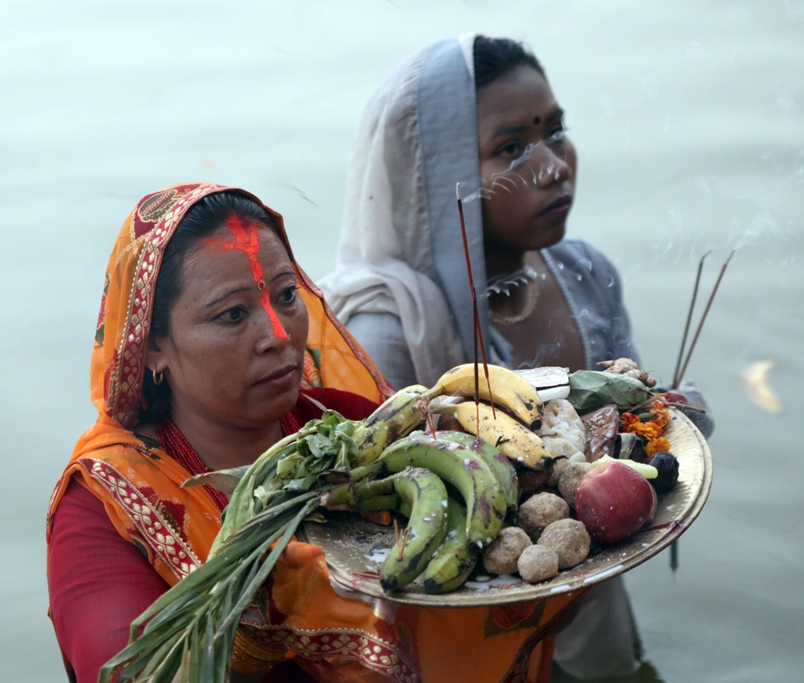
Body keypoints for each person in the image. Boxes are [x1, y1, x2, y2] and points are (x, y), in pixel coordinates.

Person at [46, 182, 584, 683]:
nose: (279, 336)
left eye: (285, 296)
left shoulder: (346, 427)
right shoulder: (105, 510)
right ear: (153, 347)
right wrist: (270, 613)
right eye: (233, 315)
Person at [319, 35, 654, 680]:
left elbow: (637, 413)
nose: (553, 165)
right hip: (456, 635)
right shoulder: (386, 328)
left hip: (592, 588)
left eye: (556, 132)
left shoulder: (584, 271)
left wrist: (667, 415)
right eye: (511, 149)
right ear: (442, 181)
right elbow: (376, 516)